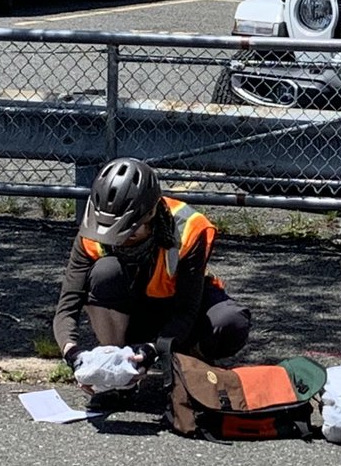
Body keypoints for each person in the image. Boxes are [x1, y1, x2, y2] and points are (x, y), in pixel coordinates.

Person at [53, 157, 251, 387]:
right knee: (105, 271)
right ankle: (117, 371)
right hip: (130, 313)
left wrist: (153, 349)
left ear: (150, 214)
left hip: (178, 309)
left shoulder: (189, 228)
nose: (119, 242)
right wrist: (74, 355)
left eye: (129, 233)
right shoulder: (93, 229)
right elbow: (67, 306)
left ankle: (190, 365)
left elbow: (187, 310)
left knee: (230, 322)